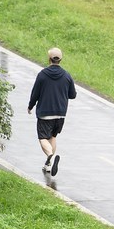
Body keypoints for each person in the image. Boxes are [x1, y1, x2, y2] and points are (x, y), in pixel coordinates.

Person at [26, 47, 77, 176]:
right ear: (61, 59)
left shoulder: (42, 75)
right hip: (60, 114)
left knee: (43, 138)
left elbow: (35, 93)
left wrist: (30, 106)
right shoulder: (66, 75)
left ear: (49, 59)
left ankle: (49, 155)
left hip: (45, 113)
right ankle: (48, 165)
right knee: (52, 137)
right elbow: (73, 95)